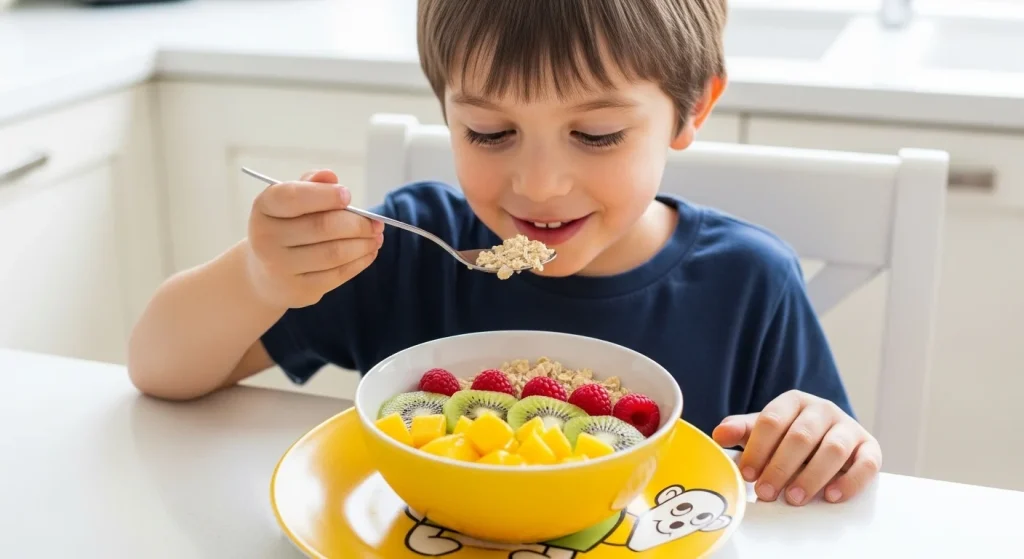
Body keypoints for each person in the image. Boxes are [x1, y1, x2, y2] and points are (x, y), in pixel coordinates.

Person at [127, 0, 881, 507]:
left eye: (596, 135)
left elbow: (821, 474)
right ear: (447, 109)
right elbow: (159, 368)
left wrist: (826, 442)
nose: (541, 184)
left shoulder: (749, 283)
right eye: (490, 133)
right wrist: (259, 276)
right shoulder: (407, 250)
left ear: (693, 109)